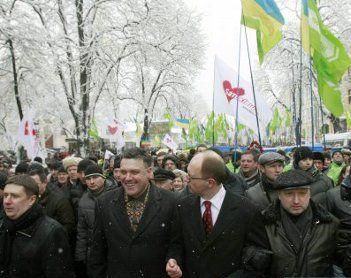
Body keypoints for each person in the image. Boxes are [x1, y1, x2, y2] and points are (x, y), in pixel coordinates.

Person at [166, 150, 271, 278]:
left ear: (210, 182)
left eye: (191, 177)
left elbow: (259, 257)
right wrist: (174, 261)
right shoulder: (183, 206)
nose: (186, 180)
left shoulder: (246, 209)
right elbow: (176, 244)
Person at [89, 148, 178, 277]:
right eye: (123, 172)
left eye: (134, 172)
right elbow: (97, 251)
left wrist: (174, 260)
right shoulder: (104, 202)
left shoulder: (171, 202)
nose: (127, 178)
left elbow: (176, 243)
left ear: (149, 173)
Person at [262, 169, 340, 277]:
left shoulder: (329, 224)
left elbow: (339, 263)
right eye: (289, 194)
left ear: (310, 194)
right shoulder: (263, 224)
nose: (296, 201)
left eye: (302, 193)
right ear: (279, 195)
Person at [0, 174, 75, 277]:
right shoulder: (3, 225)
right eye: (5, 195)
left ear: (32, 200)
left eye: (15, 196)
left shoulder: (51, 232)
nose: (7, 201)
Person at [75, 164, 116, 277]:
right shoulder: (84, 200)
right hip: (94, 253)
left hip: (115, 251)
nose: (91, 182)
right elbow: (82, 230)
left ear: (103, 178)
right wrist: (81, 255)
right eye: (88, 178)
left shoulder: (116, 194)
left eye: (95, 177)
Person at [29, 168, 75, 237]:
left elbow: (68, 225)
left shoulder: (59, 199)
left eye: (35, 184)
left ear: (44, 182)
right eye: (30, 184)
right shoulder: (30, 195)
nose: (31, 187)